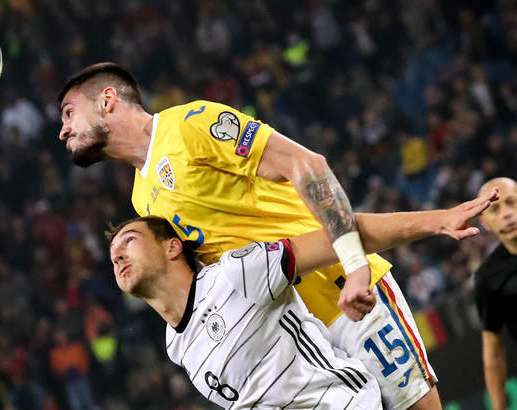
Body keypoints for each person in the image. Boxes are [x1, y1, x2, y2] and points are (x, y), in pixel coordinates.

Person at [58, 62, 452, 408]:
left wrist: (355, 268)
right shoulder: (142, 198)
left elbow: (305, 164)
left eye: (69, 113)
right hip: (293, 341)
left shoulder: (190, 124)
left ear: (107, 99)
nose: (63, 130)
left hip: (342, 290)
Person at [105, 192, 496, 409]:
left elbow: (340, 234)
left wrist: (438, 221)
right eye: (112, 254)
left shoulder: (237, 273)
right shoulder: (177, 347)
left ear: (173, 247)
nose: (118, 255)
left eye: (129, 241)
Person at [475, 177, 517, 410]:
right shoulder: (488, 278)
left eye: (512, 202)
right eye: (496, 209)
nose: (507, 214)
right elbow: (493, 352)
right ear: (486, 223)